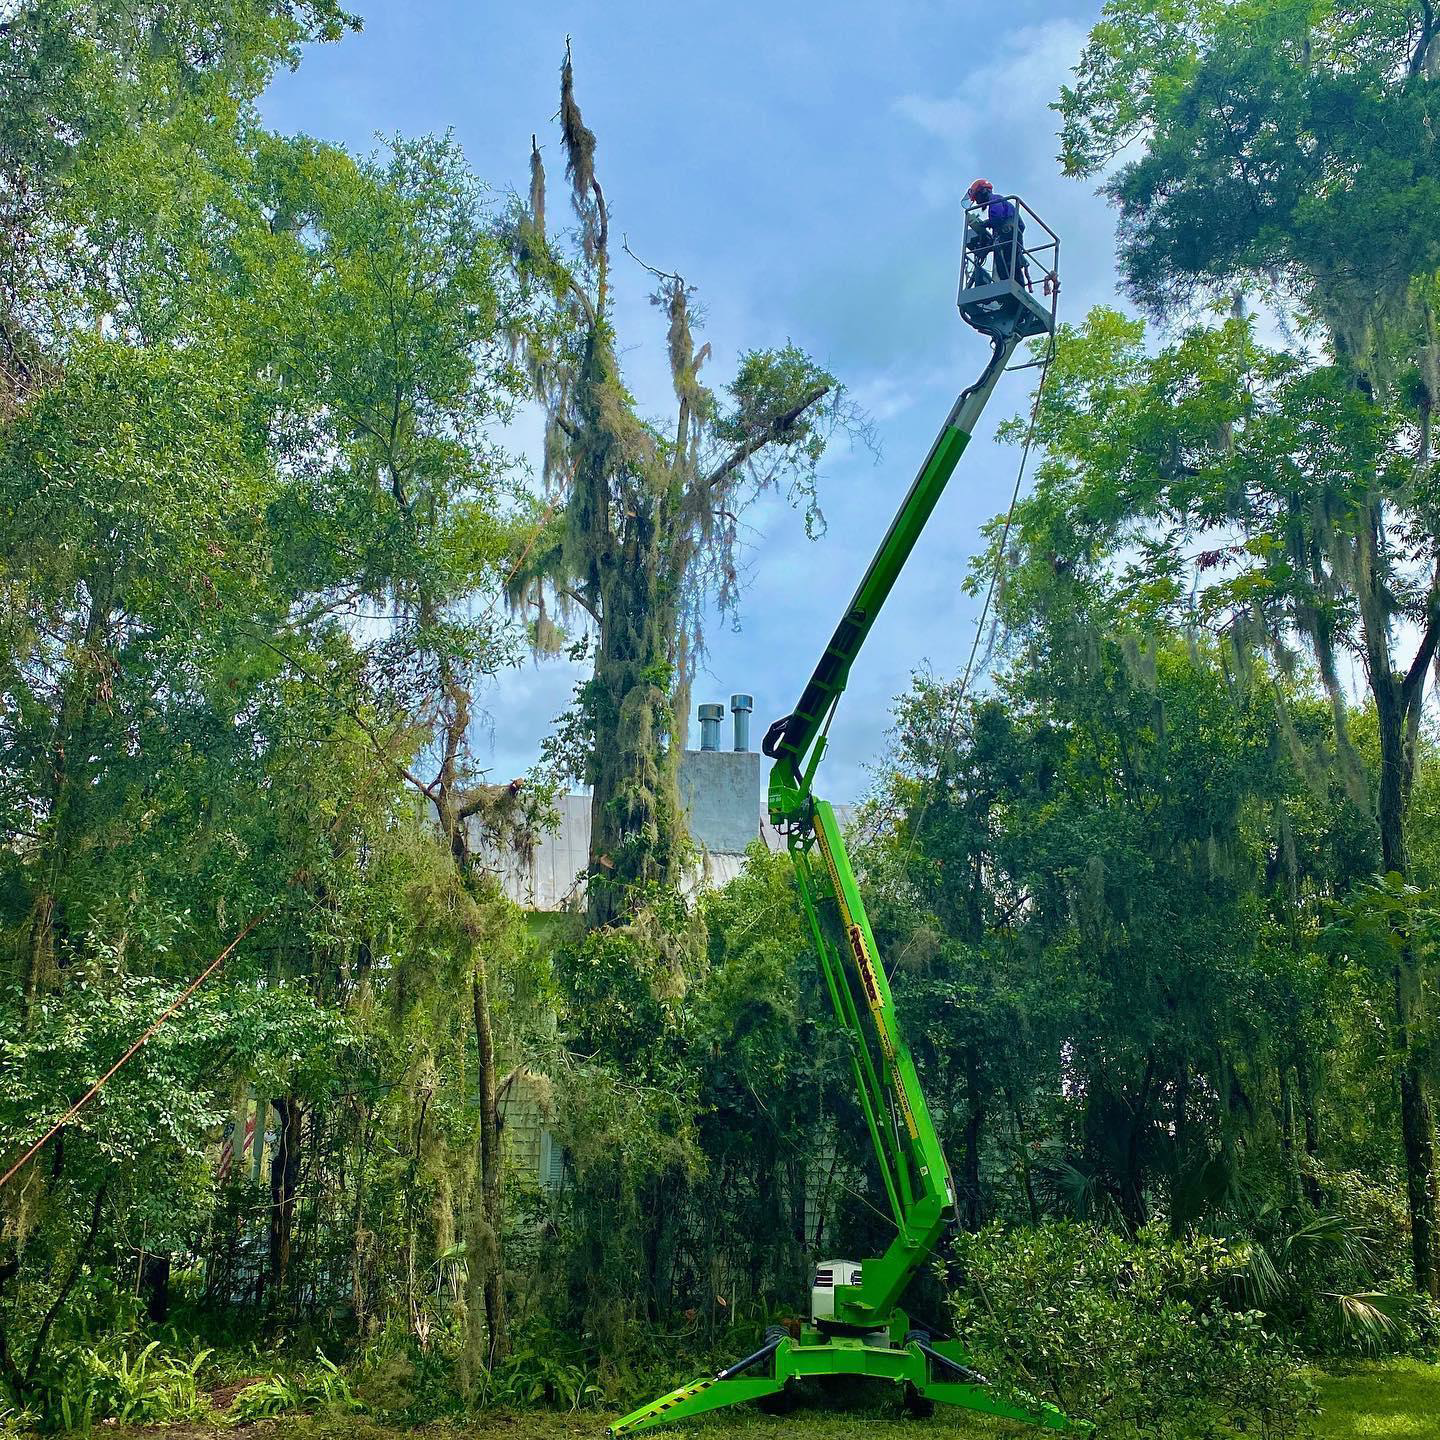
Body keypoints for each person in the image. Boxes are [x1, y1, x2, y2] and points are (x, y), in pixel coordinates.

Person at [966, 178, 1030, 289]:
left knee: (1005, 266)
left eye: (977, 197)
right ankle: (1018, 288)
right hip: (1013, 236)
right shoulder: (1001, 201)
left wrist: (985, 224)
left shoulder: (995, 200)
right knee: (1013, 266)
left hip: (1008, 235)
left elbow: (997, 218)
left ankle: (1008, 287)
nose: (977, 202)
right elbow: (1021, 225)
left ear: (983, 192)